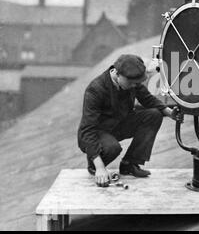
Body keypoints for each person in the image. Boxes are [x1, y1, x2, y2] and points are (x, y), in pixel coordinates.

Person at [78, 54, 181, 187]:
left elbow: (147, 99)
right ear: (117, 73)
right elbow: (88, 131)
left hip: (119, 124)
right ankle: (94, 165)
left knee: (154, 115)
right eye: (131, 83)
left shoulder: (131, 80)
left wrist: (169, 112)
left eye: (137, 83)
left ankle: (129, 164)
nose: (134, 86)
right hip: (97, 132)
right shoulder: (95, 90)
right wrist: (100, 168)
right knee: (112, 148)